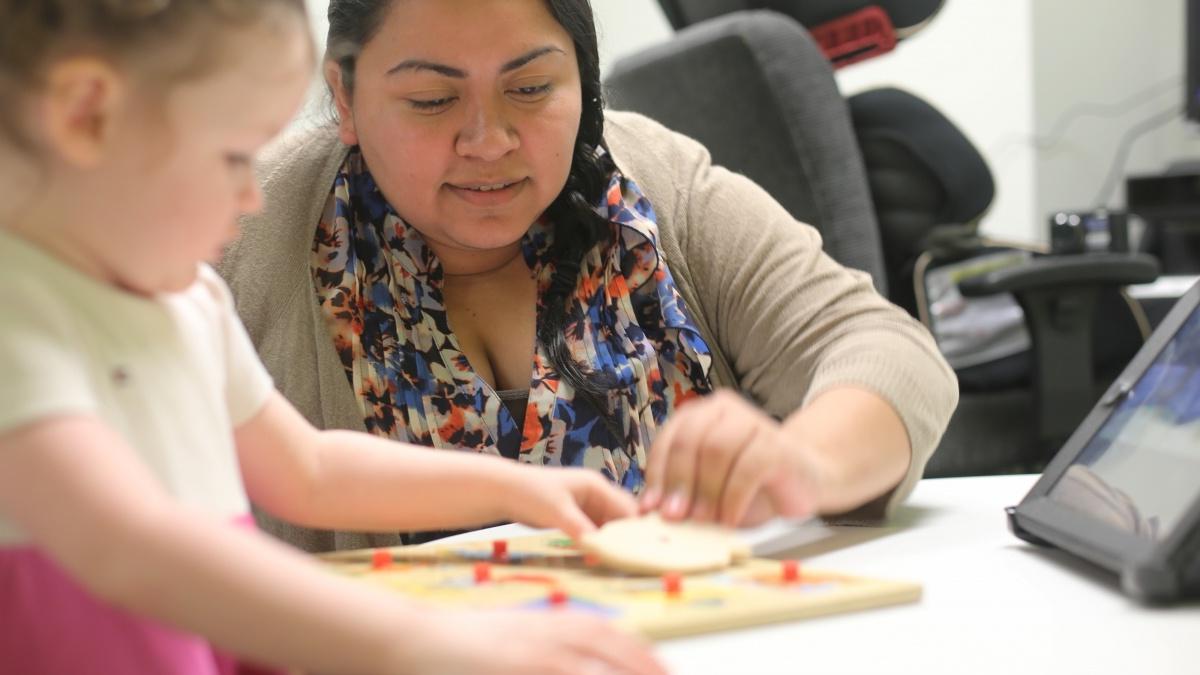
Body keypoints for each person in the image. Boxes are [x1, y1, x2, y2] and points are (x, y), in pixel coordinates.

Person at [0, 2, 667, 674]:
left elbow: (309, 469)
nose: (250, 195)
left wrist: (517, 489)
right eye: (233, 155)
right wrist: (427, 643)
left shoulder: (186, 304)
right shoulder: (16, 320)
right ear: (87, 114)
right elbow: (131, 548)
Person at [219, 0, 959, 553]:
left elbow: (884, 349)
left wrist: (803, 460)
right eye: (432, 100)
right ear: (345, 98)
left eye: (532, 88)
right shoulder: (234, 232)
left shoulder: (651, 178)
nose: (490, 141)